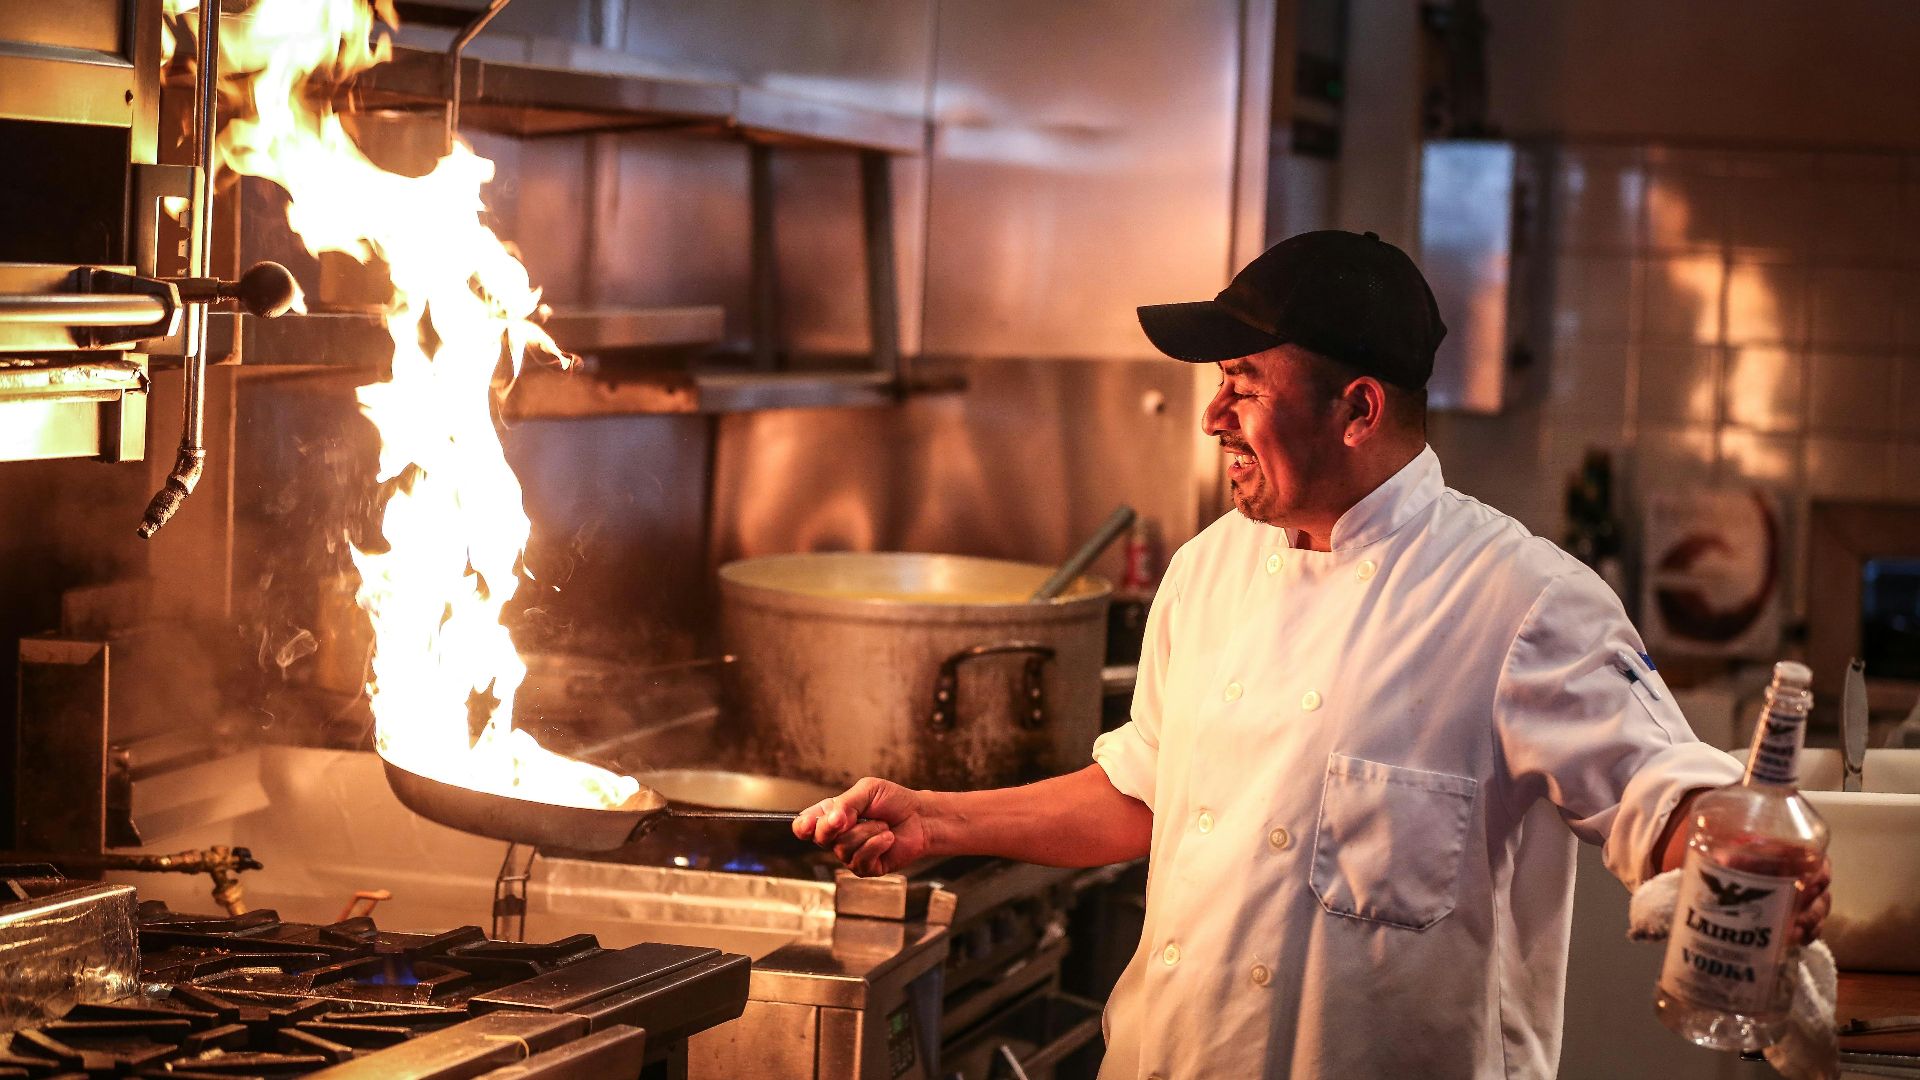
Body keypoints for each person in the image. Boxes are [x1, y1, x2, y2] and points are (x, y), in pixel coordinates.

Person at [793, 230, 1830, 1079]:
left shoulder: (1517, 601)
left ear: (1357, 409)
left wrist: (1729, 842)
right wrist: (934, 819)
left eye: (1242, 382)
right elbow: (1149, 795)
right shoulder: (1207, 572)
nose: (1211, 417)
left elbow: (1664, 789)